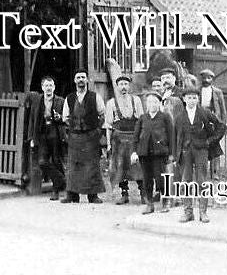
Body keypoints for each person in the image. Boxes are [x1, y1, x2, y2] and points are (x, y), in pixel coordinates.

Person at [174, 87, 226, 223]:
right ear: (184, 99)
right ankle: (188, 212)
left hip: (201, 151)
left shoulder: (205, 113)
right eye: (189, 98)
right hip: (185, 152)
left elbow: (221, 126)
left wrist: (209, 141)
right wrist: (176, 154)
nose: (192, 100)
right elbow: (176, 137)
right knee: (185, 181)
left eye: (194, 98)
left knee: (202, 181)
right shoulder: (179, 116)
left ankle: (203, 212)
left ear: (198, 99)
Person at [61, 70, 107, 204]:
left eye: (83, 77)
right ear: (75, 81)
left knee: (91, 166)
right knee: (73, 166)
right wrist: (74, 127)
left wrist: (96, 130)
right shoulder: (69, 98)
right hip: (75, 137)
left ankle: (93, 196)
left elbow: (102, 115)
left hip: (91, 136)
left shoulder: (95, 97)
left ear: (87, 80)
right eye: (78, 77)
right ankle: (72, 195)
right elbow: (65, 117)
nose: (81, 79)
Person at [130, 92, 175, 214]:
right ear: (146, 104)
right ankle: (149, 204)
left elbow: (171, 136)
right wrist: (134, 152)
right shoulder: (142, 118)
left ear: (159, 103)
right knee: (147, 180)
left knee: (161, 179)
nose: (152, 104)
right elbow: (135, 137)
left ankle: (166, 202)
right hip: (144, 154)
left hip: (159, 154)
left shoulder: (165, 117)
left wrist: (171, 154)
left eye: (155, 102)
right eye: (149, 102)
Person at [104, 75, 144, 205]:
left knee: (137, 166)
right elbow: (109, 126)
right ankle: (124, 193)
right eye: (121, 84)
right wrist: (109, 144)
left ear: (129, 86)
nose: (123, 87)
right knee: (120, 166)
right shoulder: (111, 103)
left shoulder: (136, 100)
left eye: (126, 84)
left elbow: (142, 121)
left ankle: (143, 193)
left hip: (133, 138)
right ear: (117, 86)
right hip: (118, 140)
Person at [26, 76, 67, 201]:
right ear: (42, 87)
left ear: (54, 87)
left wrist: (59, 117)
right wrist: (32, 137)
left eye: (51, 85)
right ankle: (62, 179)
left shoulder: (60, 101)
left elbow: (66, 118)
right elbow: (32, 119)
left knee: (56, 160)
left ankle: (55, 191)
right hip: (42, 132)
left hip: (55, 131)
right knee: (42, 162)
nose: (48, 88)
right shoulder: (38, 100)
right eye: (46, 85)